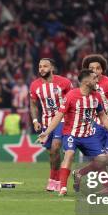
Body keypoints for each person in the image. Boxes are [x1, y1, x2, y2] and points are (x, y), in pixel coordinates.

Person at [37, 69, 108, 196]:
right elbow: (59, 115)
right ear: (86, 81)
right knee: (69, 154)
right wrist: (47, 132)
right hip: (71, 134)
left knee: (102, 160)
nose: (97, 80)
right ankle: (63, 188)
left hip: (89, 136)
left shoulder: (96, 96)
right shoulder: (71, 95)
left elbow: (102, 115)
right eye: (94, 78)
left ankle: (107, 188)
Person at [29, 58, 72, 192]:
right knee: (52, 154)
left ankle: (54, 180)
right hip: (46, 122)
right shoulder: (35, 85)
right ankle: (55, 177)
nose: (42, 69)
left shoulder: (64, 82)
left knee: (55, 147)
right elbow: (33, 104)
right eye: (40, 66)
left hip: (62, 120)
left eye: (45, 66)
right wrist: (35, 121)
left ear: (51, 68)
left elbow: (73, 99)